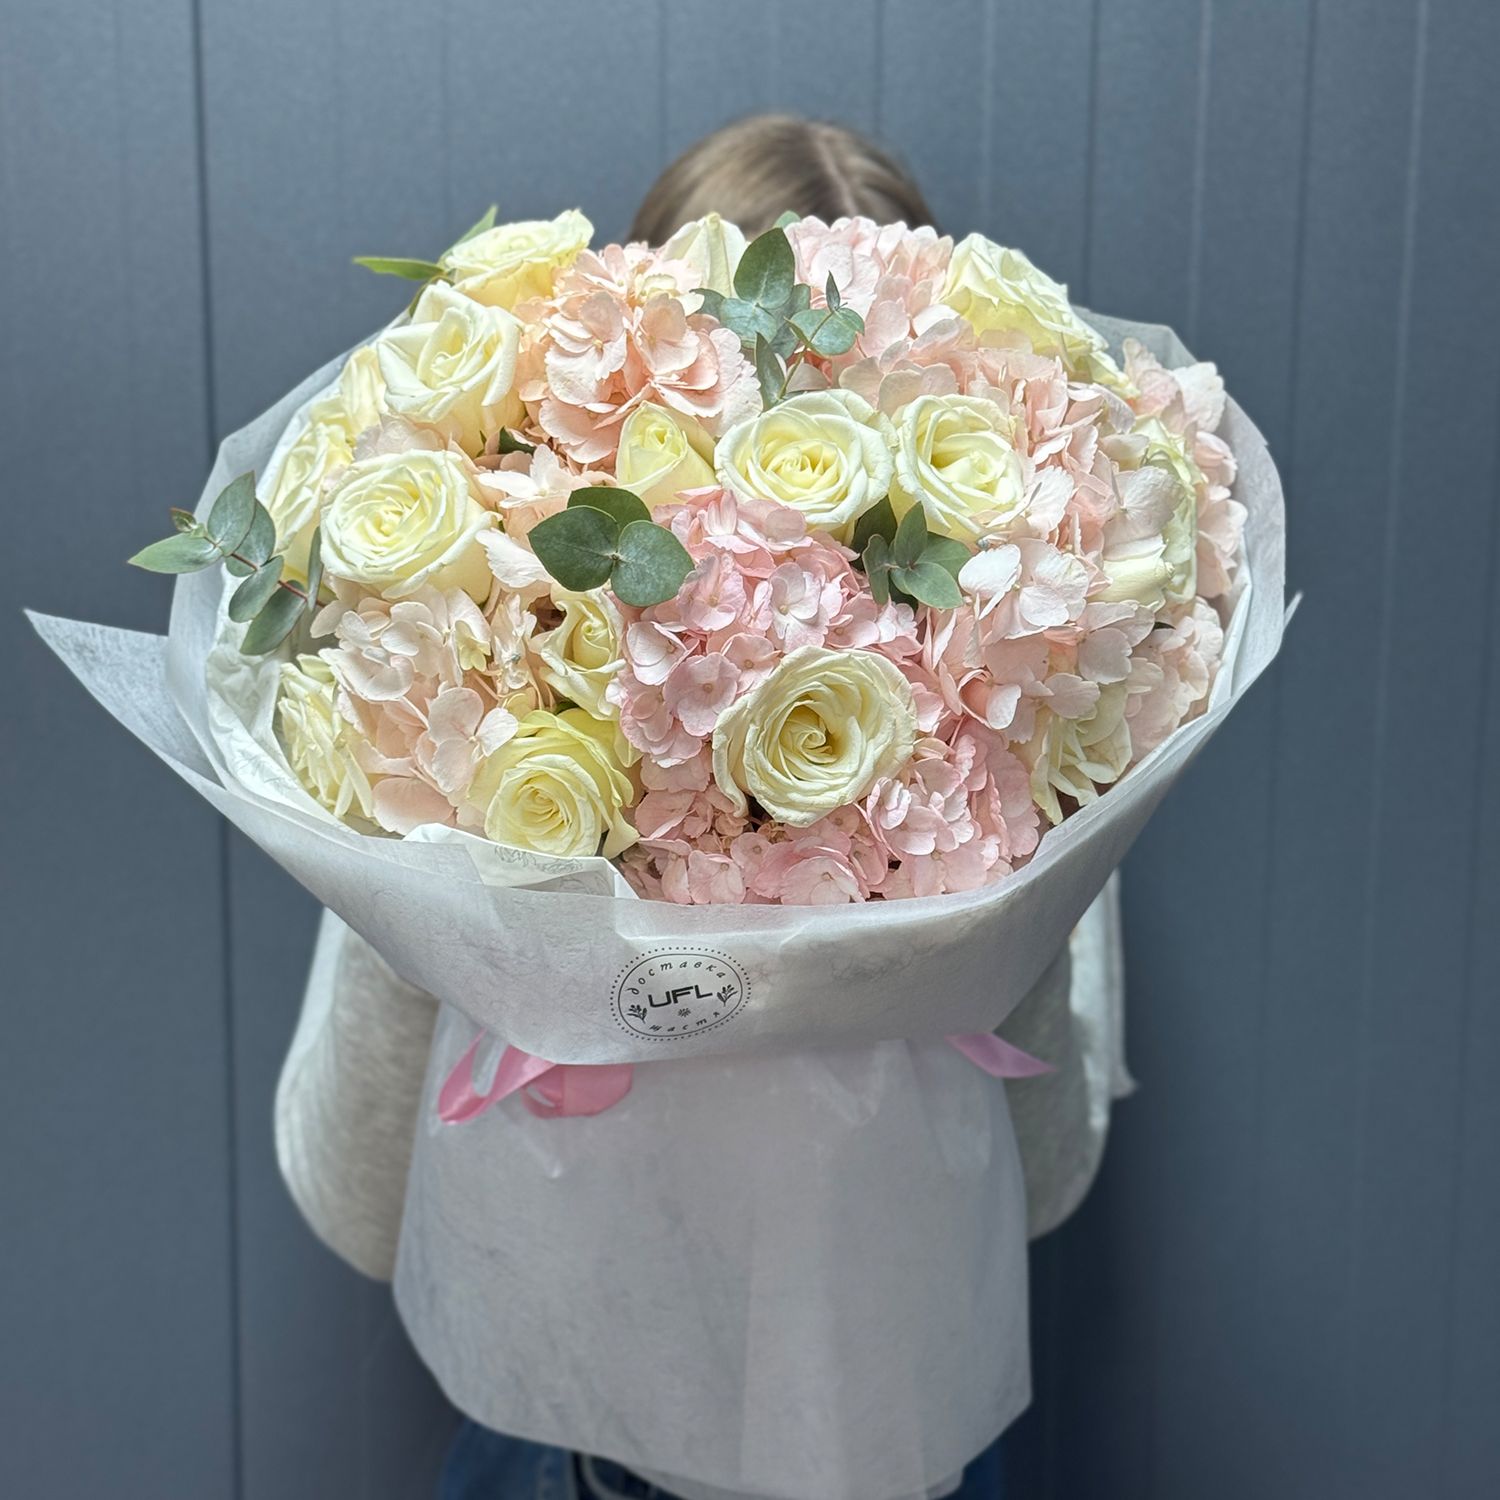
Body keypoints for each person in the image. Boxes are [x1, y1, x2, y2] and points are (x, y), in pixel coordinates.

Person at [431, 111, 1131, 1500]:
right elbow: (1046, 1173)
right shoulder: (1024, 737)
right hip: (897, 1417)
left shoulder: (495, 733)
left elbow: (349, 1171)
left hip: (565, 1415)